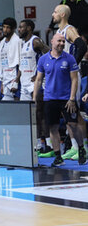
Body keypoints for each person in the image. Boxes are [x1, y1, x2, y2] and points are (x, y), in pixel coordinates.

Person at [33, 33, 87, 167]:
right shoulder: (43, 59)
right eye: (59, 41)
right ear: (52, 42)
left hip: (66, 99)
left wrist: (72, 98)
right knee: (53, 127)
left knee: (73, 125)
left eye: (63, 41)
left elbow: (74, 79)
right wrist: (34, 98)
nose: (62, 44)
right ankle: (58, 157)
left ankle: (81, 149)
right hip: (50, 99)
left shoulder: (69, 59)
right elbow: (38, 79)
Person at [52, 4, 88, 160]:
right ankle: (74, 146)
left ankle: (84, 146)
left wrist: (73, 64)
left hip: (71, 77)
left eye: (55, 12)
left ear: (62, 14)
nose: (52, 14)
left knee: (75, 113)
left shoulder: (69, 30)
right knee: (66, 113)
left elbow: (82, 45)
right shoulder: (59, 32)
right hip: (62, 78)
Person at [17, 19, 50, 101]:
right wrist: (17, 78)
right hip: (24, 84)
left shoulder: (36, 41)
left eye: (21, 27)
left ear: (28, 28)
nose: (19, 29)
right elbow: (22, 63)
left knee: (38, 110)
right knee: (25, 111)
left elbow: (51, 56)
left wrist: (41, 74)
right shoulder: (23, 43)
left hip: (34, 83)